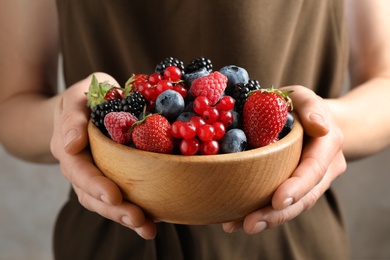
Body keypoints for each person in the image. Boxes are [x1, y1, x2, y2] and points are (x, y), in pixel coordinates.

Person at [0, 0, 389, 259]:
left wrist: (324, 126)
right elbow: (13, 105)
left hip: (289, 240)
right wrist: (73, 118)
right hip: (111, 239)